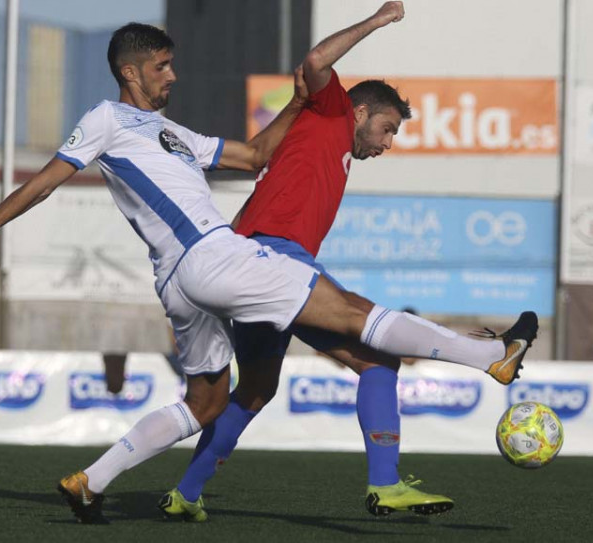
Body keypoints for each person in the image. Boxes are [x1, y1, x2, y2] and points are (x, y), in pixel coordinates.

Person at [0, 10, 536, 526]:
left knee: (206, 402)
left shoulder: (170, 133)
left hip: (183, 283)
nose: (172, 76)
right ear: (129, 72)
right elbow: (46, 182)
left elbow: (256, 155)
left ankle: (91, 481)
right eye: (162, 67)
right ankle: (490, 358)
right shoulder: (106, 118)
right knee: (352, 316)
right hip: (216, 256)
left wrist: (291, 105)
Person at [158, 4, 532, 521]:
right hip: (268, 257)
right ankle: (485, 360)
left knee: (262, 388)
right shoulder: (331, 111)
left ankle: (186, 493)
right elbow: (315, 61)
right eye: (387, 127)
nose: (388, 142)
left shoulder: (333, 144)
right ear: (359, 111)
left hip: (254, 265)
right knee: (372, 339)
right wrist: (378, 20)